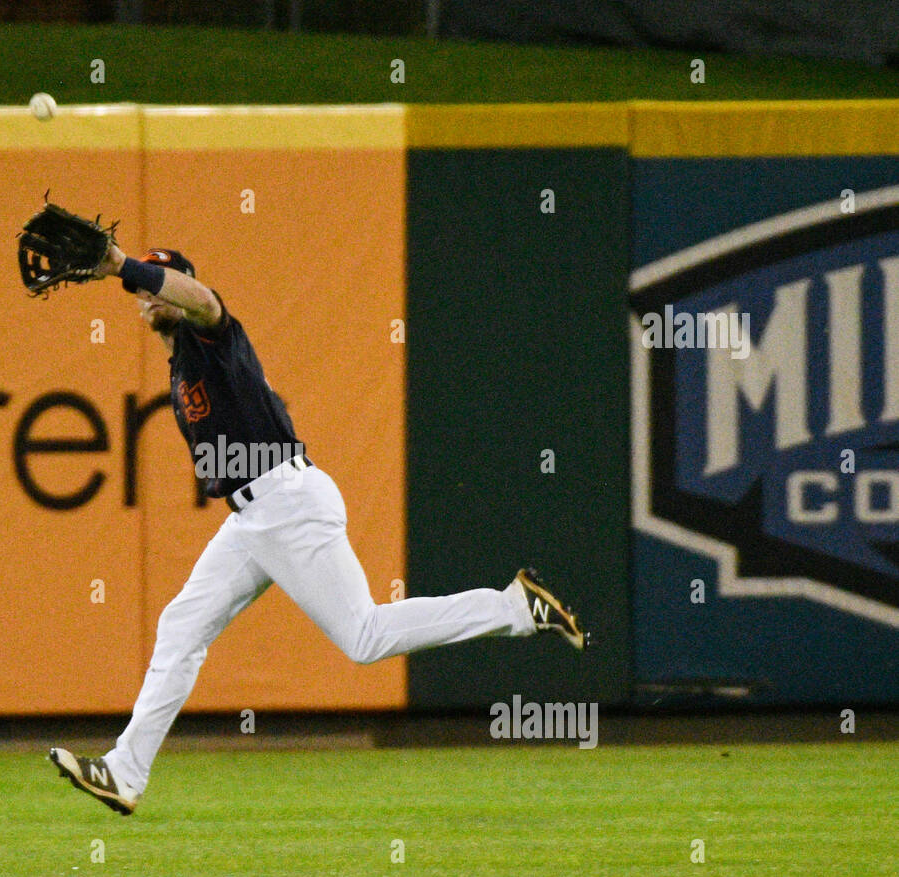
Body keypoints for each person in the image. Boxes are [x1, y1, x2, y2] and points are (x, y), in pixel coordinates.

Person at [49, 243, 589, 815]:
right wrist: (131, 280)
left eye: (162, 281)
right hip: (254, 517)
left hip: (287, 502)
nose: (151, 292)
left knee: (365, 638)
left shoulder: (210, 333)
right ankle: (123, 772)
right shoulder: (181, 363)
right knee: (181, 626)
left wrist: (120, 265)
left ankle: (514, 608)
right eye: (144, 288)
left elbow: (203, 299)